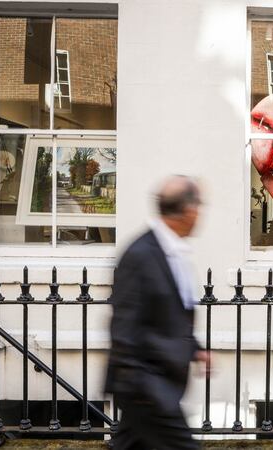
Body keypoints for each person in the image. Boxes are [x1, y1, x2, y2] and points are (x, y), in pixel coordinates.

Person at [105, 175, 209, 450]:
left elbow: (170, 312)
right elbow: (123, 324)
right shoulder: (140, 255)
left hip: (157, 385)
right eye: (199, 206)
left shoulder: (173, 251)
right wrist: (140, 387)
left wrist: (196, 349)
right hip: (149, 389)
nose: (200, 213)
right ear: (186, 210)